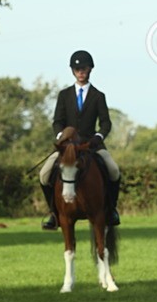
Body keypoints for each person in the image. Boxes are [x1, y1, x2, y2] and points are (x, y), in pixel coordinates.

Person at [40, 50, 121, 229]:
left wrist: (98, 137)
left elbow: (105, 123)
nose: (80, 72)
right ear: (73, 71)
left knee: (114, 171)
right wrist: (61, 137)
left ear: (90, 69)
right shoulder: (64, 95)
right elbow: (57, 121)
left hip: (91, 145)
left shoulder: (98, 96)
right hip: (67, 147)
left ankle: (111, 210)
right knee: (44, 175)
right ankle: (54, 213)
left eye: (83, 68)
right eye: (77, 69)